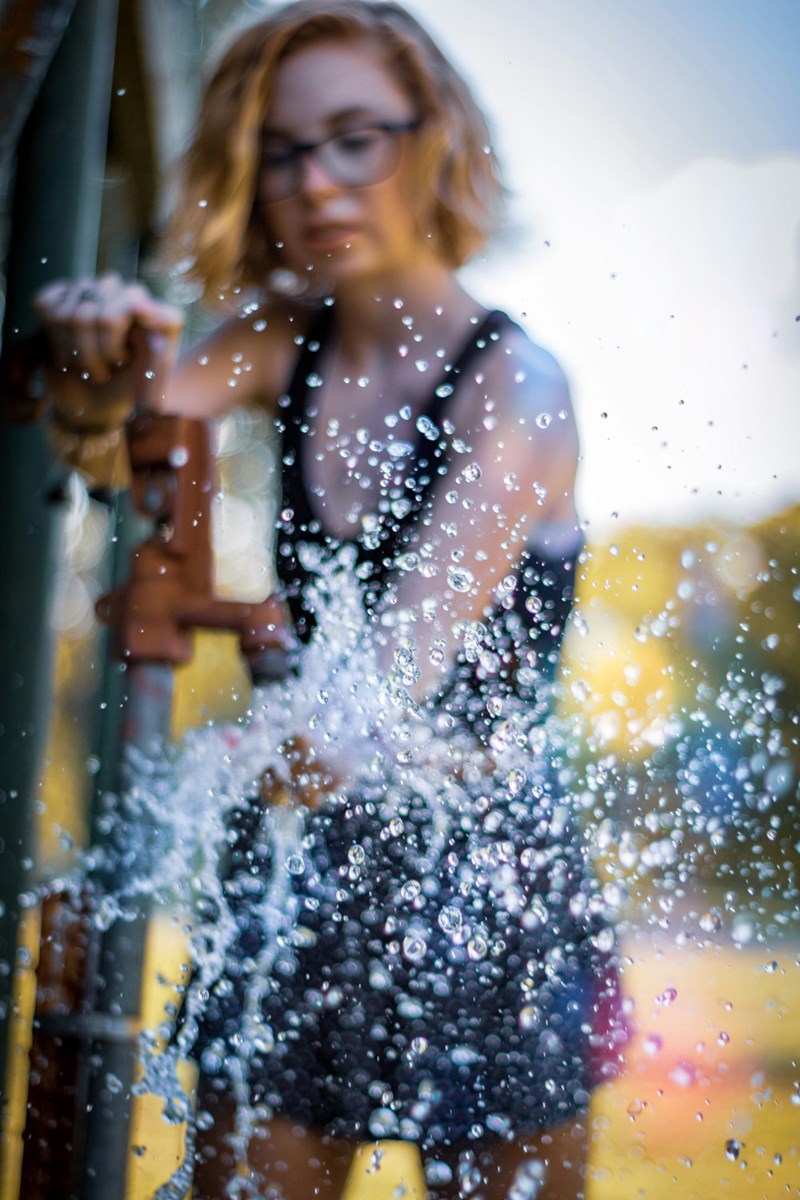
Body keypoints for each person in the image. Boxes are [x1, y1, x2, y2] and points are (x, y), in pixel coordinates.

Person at [35, 2, 628, 1195]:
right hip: (303, 859)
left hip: (486, 880)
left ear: (432, 140)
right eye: (284, 151)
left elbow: (389, 676)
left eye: (354, 137)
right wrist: (95, 367)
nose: (316, 181)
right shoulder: (270, 344)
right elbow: (120, 449)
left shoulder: (518, 385)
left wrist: (272, 754)